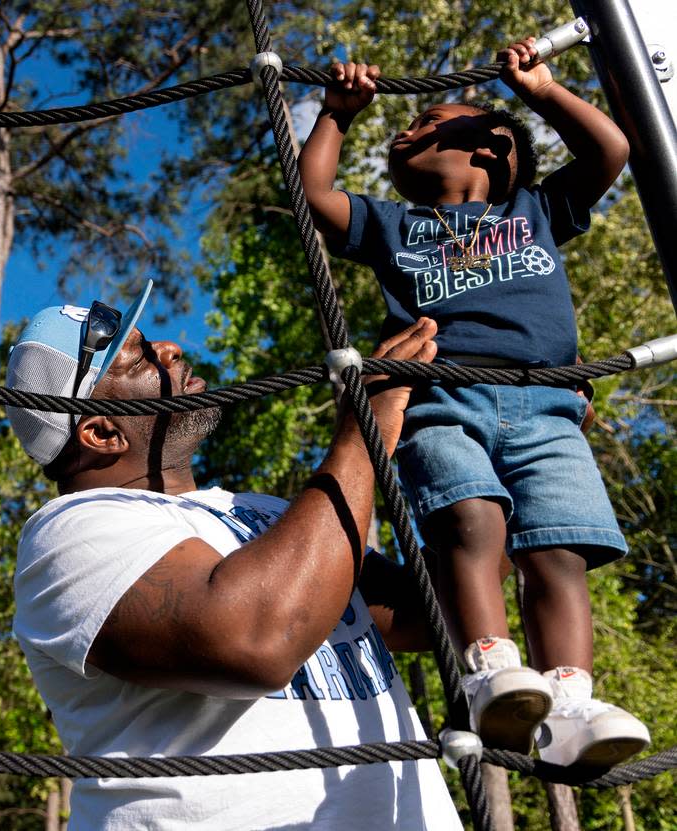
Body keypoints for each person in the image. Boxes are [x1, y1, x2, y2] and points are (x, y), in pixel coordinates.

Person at [297, 37, 650, 766]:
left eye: (431, 119)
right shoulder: (399, 226)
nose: (410, 127)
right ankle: (490, 670)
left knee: (558, 553)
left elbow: (611, 151)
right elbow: (316, 198)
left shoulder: (538, 209)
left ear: (490, 148)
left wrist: (542, 94)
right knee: (470, 521)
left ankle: (572, 699)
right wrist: (336, 116)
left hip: (548, 407)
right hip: (444, 397)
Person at [5, 281, 462, 829]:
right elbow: (258, 642)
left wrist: (495, 446)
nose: (171, 348)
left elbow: (430, 611)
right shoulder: (68, 535)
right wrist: (365, 431)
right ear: (103, 433)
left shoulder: (267, 512)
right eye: (136, 357)